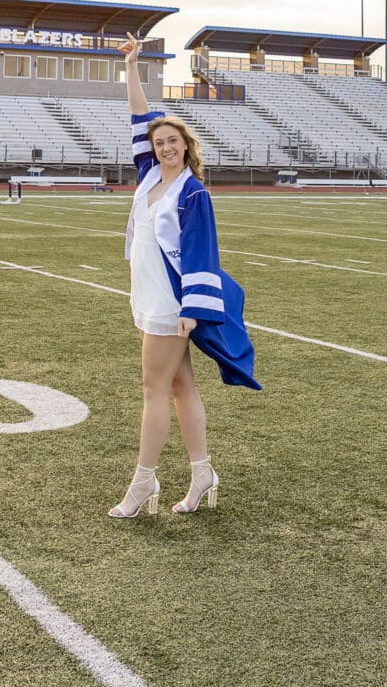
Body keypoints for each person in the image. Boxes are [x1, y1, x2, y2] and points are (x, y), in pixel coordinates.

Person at [108, 33, 261, 520]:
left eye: (172, 141)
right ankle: (202, 473)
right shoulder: (150, 176)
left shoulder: (193, 193)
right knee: (179, 386)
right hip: (147, 294)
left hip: (171, 304)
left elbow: (200, 253)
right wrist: (132, 65)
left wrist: (192, 312)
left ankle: (143, 482)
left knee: (153, 390)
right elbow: (138, 113)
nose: (165, 147)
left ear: (185, 145)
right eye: (159, 142)